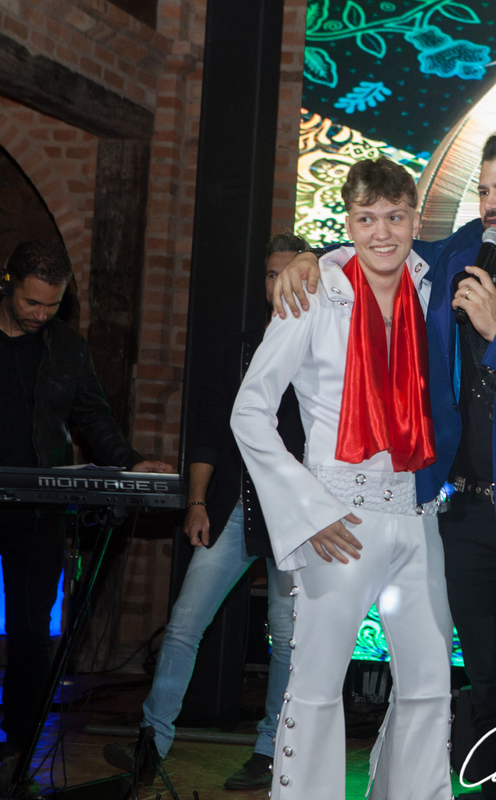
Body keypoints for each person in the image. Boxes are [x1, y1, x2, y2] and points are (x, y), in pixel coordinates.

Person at [273, 132, 496, 799]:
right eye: (485, 189)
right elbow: (386, 247)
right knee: (492, 704)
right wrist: (308, 257)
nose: (493, 203)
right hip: (467, 520)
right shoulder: (466, 253)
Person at [233, 159, 458, 799]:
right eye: (366, 219)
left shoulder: (429, 285)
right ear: (349, 222)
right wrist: (309, 511)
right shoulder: (314, 291)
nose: (382, 233)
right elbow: (249, 411)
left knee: (430, 686)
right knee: (316, 686)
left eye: (395, 217)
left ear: (415, 218)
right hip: (340, 519)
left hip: (417, 511)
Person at [101, 234, 307, 790]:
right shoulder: (238, 349)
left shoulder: (325, 347)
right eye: (270, 274)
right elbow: (208, 431)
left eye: (288, 272)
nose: (278, 283)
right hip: (235, 507)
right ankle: (151, 744)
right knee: (184, 624)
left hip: (296, 515)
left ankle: (272, 750)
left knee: (287, 638)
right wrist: (196, 502)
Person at [0, 241, 172, 784]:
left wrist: (129, 462)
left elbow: (93, 416)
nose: (40, 315)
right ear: (8, 283)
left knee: (32, 630)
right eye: (31, 303)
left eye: (52, 305)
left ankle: (17, 752)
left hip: (38, 510)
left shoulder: (67, 348)